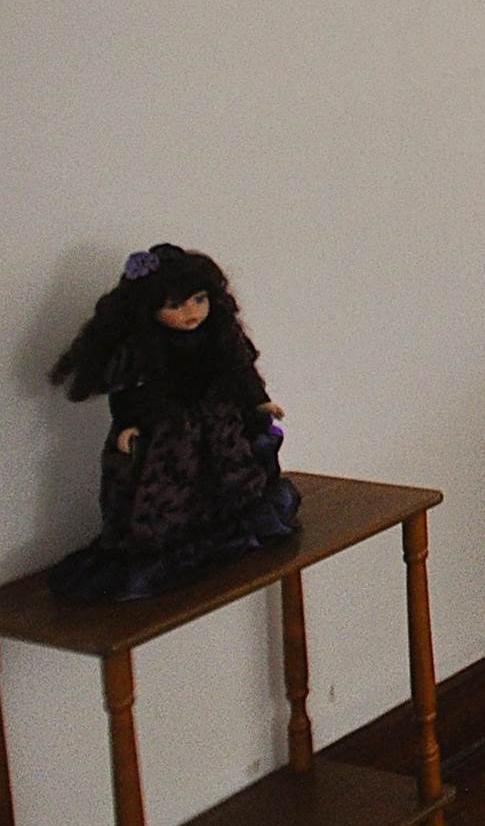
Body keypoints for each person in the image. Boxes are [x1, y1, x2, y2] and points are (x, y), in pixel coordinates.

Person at [45, 244, 300, 602]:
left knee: (231, 476)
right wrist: (127, 425)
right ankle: (174, 541)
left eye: (198, 300)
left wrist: (258, 401)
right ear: (150, 310)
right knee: (169, 486)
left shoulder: (220, 337)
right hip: (170, 431)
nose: (191, 312)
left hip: (219, 422)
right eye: (175, 305)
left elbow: (240, 372)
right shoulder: (143, 349)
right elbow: (130, 392)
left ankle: (230, 524)